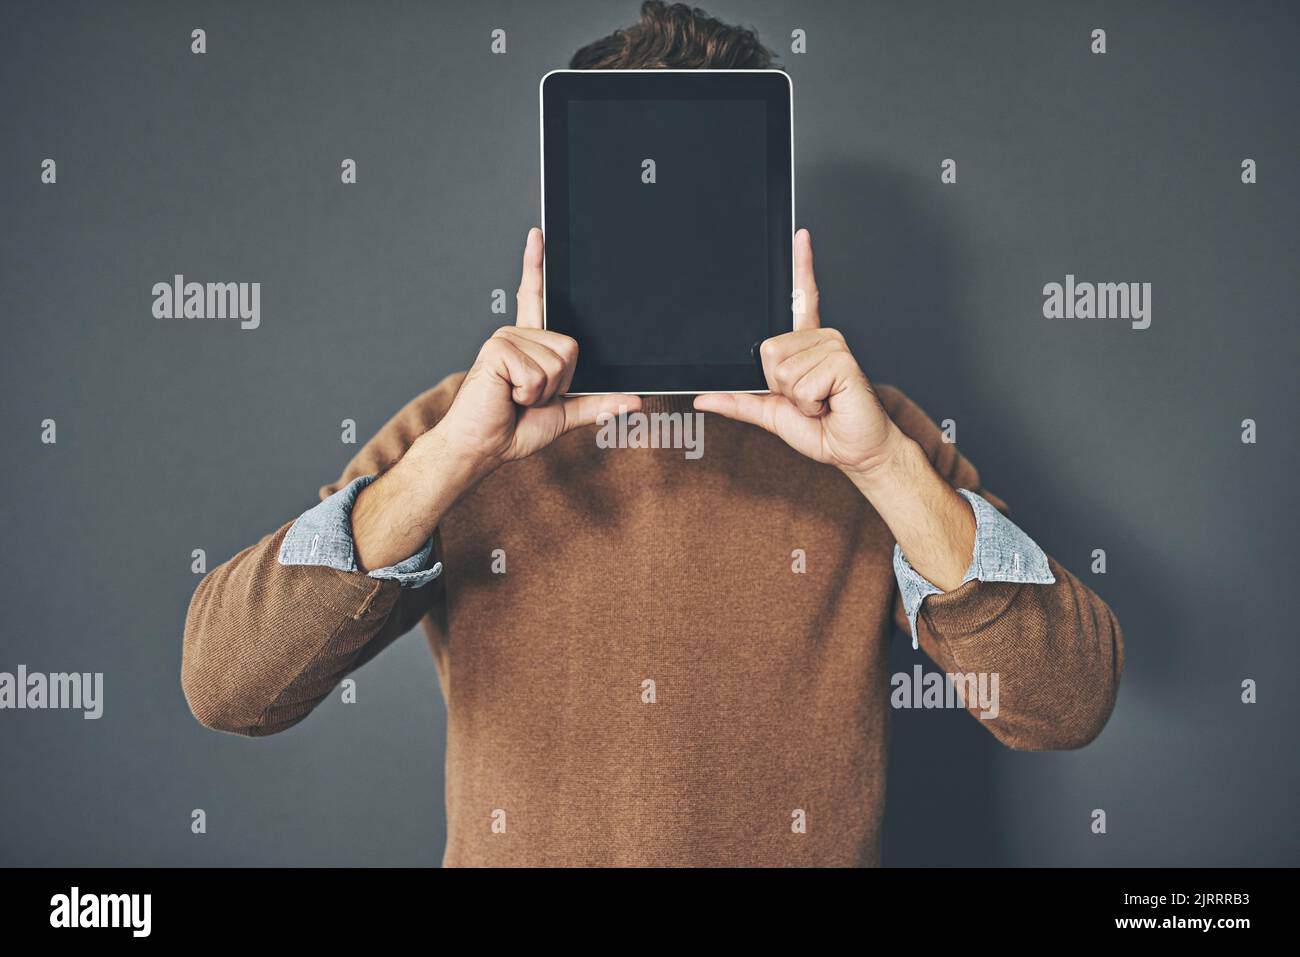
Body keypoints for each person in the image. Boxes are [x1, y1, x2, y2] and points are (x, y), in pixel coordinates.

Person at [181, 1, 1123, 867]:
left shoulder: (868, 435)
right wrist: (455, 459)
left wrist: (882, 468)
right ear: (561, 228)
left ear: (764, 223)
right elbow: (229, 685)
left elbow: (1067, 702)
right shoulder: (462, 428)